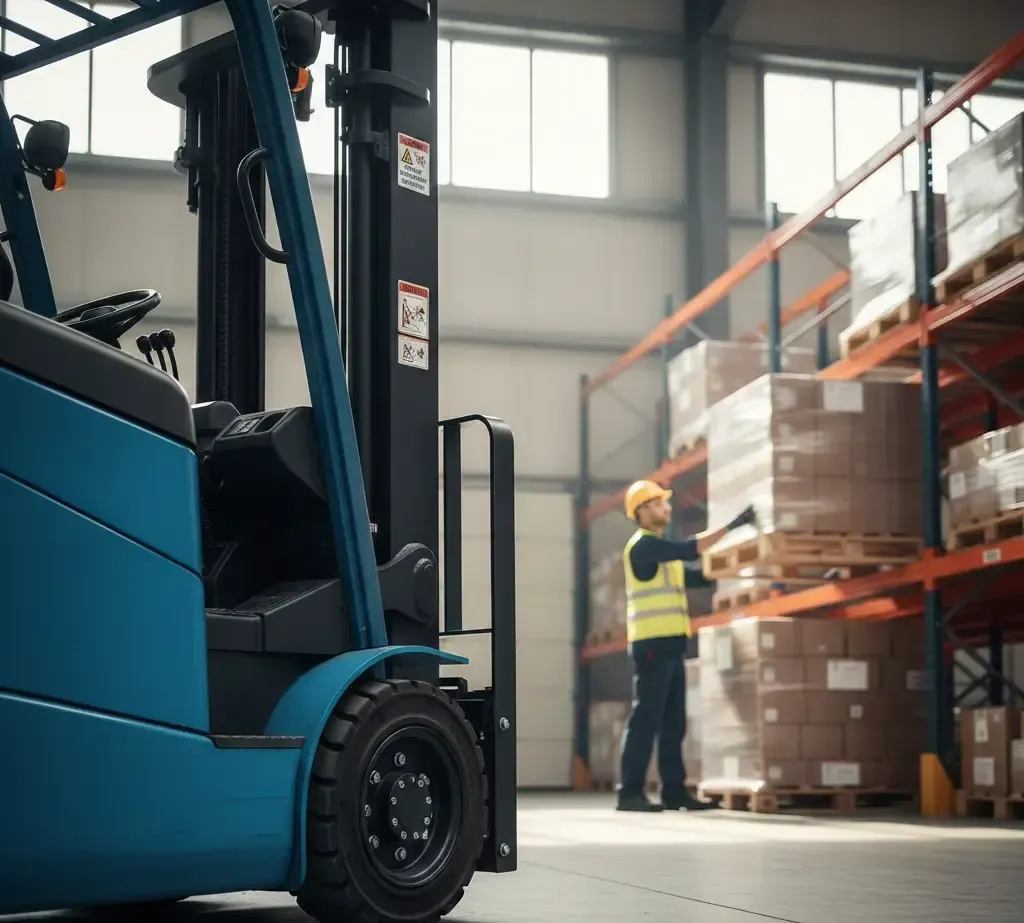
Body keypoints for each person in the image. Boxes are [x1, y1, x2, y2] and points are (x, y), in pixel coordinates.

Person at [616, 479, 755, 813]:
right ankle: (629, 793)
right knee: (645, 720)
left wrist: (741, 561)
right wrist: (735, 525)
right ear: (644, 510)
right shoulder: (644, 547)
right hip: (651, 645)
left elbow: (699, 575)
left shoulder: (663, 553)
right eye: (660, 503)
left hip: (672, 645)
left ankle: (674, 792)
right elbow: (691, 549)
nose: (667, 508)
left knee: (673, 724)